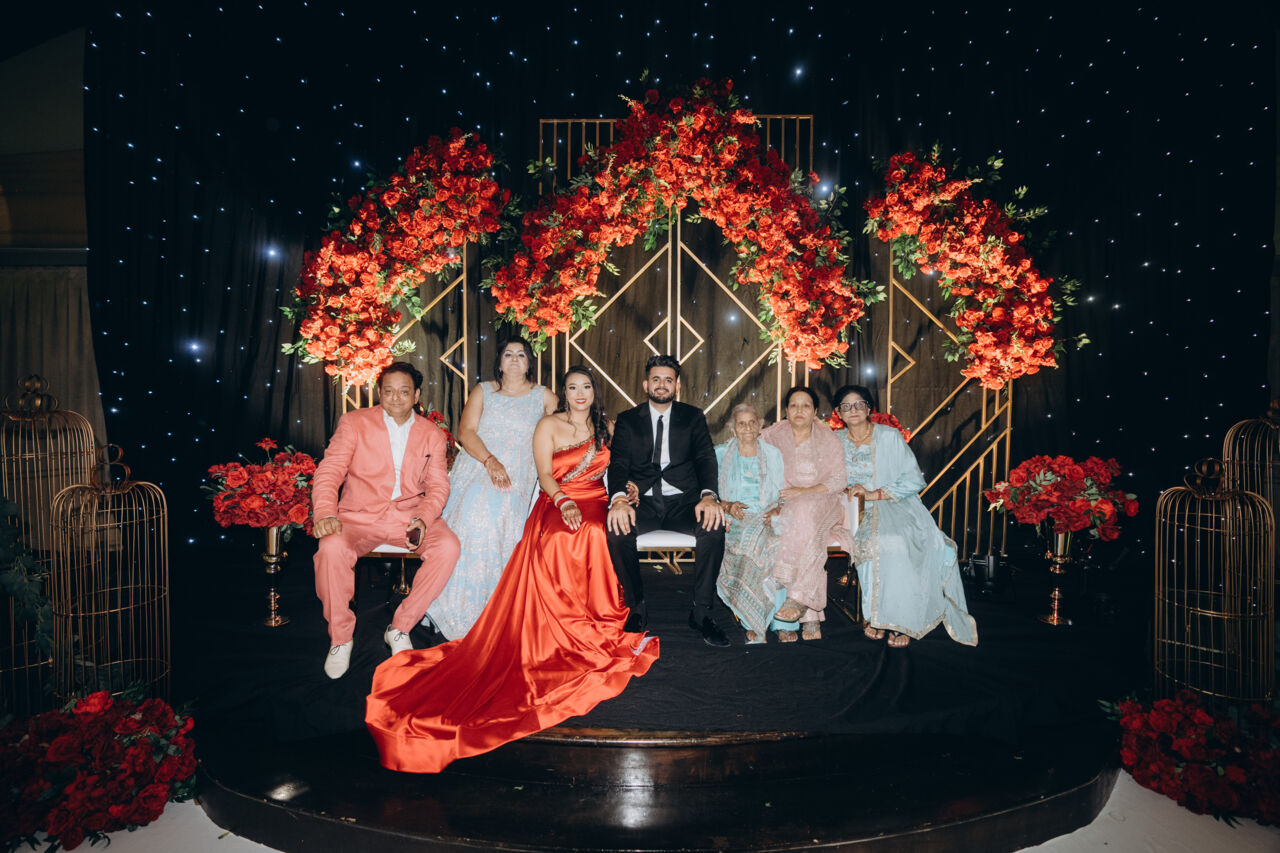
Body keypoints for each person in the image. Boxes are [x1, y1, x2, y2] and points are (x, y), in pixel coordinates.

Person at [366, 366, 659, 774]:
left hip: (596, 500)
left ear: (595, 392)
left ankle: (597, 616)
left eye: (586, 387)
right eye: (572, 387)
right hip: (557, 501)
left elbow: (622, 470)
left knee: (596, 531)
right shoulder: (548, 425)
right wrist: (563, 501)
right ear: (563, 392)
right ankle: (562, 625)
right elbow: (544, 475)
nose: (579, 393)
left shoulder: (607, 428)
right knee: (562, 536)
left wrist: (627, 491)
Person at [311, 362, 461, 679]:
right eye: (389, 391)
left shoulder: (432, 433)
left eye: (404, 392)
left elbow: (438, 486)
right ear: (379, 392)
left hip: (408, 516)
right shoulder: (354, 422)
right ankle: (341, 638)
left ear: (416, 395)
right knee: (331, 549)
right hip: (357, 516)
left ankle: (400, 626)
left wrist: (423, 519)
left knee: (448, 547)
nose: (396, 398)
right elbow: (329, 471)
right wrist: (325, 512)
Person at [423, 338, 557, 640]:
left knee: (498, 512)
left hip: (520, 473)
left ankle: (495, 607)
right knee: (473, 512)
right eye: (508, 354)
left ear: (529, 363)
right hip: (480, 465)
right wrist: (489, 460)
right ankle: (452, 605)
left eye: (521, 355)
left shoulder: (544, 396)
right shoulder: (483, 391)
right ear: (499, 362)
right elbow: (465, 431)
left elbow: (567, 426)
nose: (514, 359)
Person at [834, 384, 978, 648]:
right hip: (849, 508)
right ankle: (876, 617)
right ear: (838, 412)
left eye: (859, 404)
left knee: (898, 542)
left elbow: (913, 479)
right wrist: (846, 491)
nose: (853, 410)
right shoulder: (834, 441)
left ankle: (901, 620)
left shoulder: (889, 437)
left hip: (892, 503)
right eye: (846, 405)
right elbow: (826, 478)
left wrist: (874, 494)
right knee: (871, 544)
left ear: (869, 409)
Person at [605, 354, 729, 647]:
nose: (662, 385)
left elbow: (705, 458)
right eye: (656, 379)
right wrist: (619, 498)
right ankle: (636, 608)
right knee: (616, 531)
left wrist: (709, 496)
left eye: (668, 380)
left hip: (683, 502)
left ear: (677, 385)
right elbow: (619, 463)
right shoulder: (627, 420)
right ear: (645, 384)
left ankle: (702, 612)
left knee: (713, 527)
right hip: (643, 502)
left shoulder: (693, 417)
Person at [759, 386, 848, 642]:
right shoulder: (770, 436)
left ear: (815, 411)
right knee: (803, 527)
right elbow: (757, 469)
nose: (799, 410)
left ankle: (797, 597)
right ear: (786, 410)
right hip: (787, 505)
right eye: (794, 405)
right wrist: (777, 503)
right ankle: (810, 614)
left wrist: (803, 491)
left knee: (805, 510)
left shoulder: (829, 439)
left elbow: (839, 480)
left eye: (806, 405)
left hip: (825, 500)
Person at [713, 403, 798, 644]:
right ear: (733, 428)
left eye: (752, 422)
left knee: (782, 544)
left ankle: (782, 621)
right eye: (741, 423)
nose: (748, 427)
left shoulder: (773, 454)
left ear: (760, 426)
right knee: (753, 544)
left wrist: (777, 509)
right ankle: (753, 621)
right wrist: (727, 506)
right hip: (734, 518)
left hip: (768, 514)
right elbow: (708, 493)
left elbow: (784, 492)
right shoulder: (720, 453)